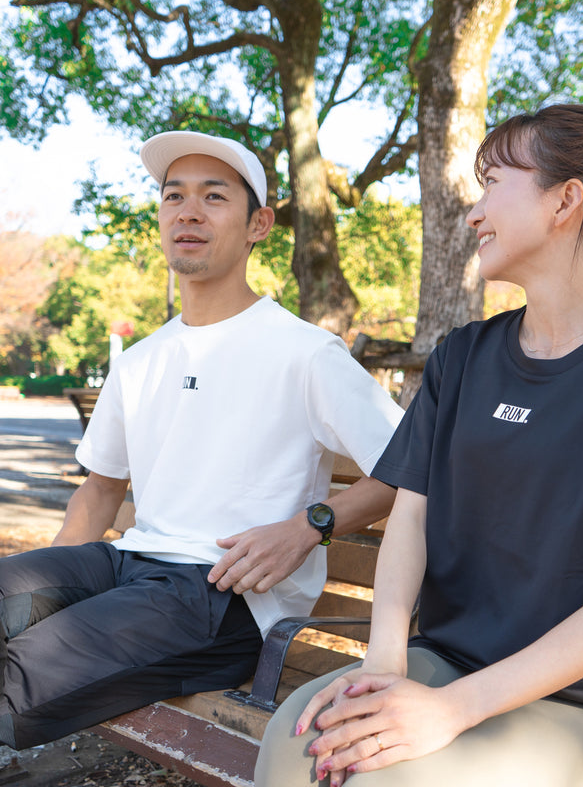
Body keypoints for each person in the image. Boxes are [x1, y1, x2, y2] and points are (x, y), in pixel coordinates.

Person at [254, 104, 583, 787]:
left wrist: (451, 711)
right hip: (445, 664)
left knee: (379, 778)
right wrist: (384, 666)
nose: (475, 211)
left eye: (493, 183)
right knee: (297, 736)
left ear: (564, 200)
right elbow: (411, 515)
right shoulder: (463, 357)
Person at [0, 131, 403, 750]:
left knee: (18, 675)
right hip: (127, 565)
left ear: (258, 225)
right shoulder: (140, 361)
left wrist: (309, 525)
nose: (188, 211)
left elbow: (408, 471)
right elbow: (102, 489)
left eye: (214, 197)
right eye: (173, 196)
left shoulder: (305, 353)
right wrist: (53, 594)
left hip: (224, 597)